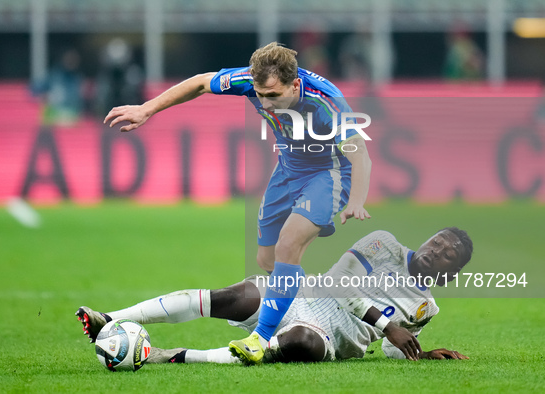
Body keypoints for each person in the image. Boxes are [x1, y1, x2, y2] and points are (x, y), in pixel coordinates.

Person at [103, 42, 372, 365]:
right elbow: (201, 82)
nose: (264, 103)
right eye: (259, 94)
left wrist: (356, 200)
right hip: (286, 168)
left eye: (273, 95)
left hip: (328, 174)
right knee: (268, 261)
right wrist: (147, 108)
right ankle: (322, 303)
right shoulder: (249, 80)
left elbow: (360, 153)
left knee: (289, 245)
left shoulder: (326, 102)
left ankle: (259, 338)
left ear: (295, 85)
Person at [76, 227, 473, 364]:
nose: (436, 250)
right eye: (437, 241)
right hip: (306, 292)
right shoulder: (383, 244)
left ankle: (168, 356)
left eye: (447, 253)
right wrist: (388, 327)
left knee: (298, 343)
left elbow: (390, 349)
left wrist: (419, 351)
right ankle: (109, 317)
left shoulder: (425, 307)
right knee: (233, 296)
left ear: (451, 273)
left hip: (334, 336)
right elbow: (336, 280)